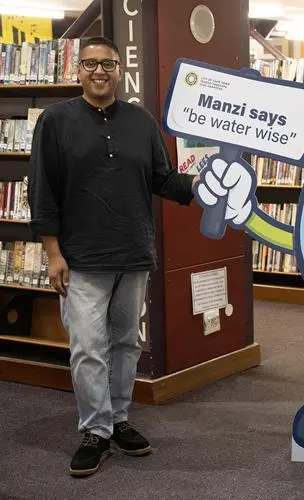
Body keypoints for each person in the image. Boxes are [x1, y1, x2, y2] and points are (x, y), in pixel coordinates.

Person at [27, 36, 199, 477]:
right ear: (78, 71)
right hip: (80, 259)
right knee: (88, 348)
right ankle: (95, 430)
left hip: (133, 254)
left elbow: (162, 178)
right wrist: (52, 253)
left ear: (120, 70)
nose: (99, 71)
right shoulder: (55, 121)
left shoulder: (142, 121)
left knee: (126, 343)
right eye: (90, 64)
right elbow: (42, 191)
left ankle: (118, 418)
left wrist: (204, 185)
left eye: (107, 64)